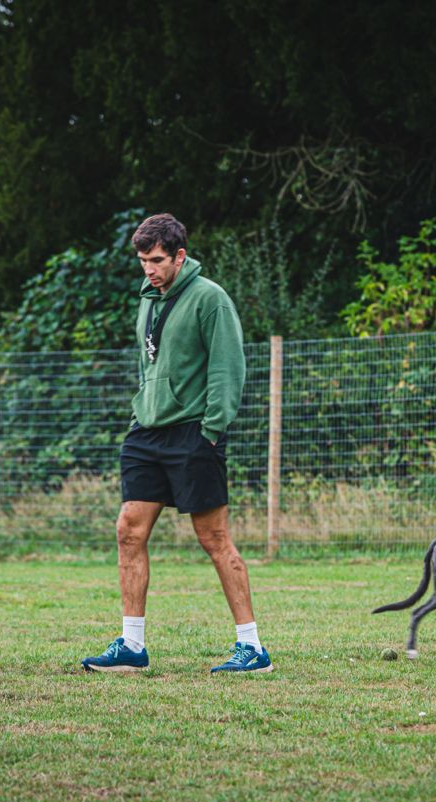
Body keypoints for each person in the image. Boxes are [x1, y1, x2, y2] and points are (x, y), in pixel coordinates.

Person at [80, 213, 272, 674]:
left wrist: (211, 430)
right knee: (129, 529)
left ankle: (253, 648)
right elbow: (150, 368)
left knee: (213, 538)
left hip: (193, 433)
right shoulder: (148, 300)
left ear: (180, 256)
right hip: (147, 432)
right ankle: (131, 645)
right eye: (143, 260)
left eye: (158, 260)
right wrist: (140, 411)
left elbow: (229, 368)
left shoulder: (211, 299)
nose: (149, 268)